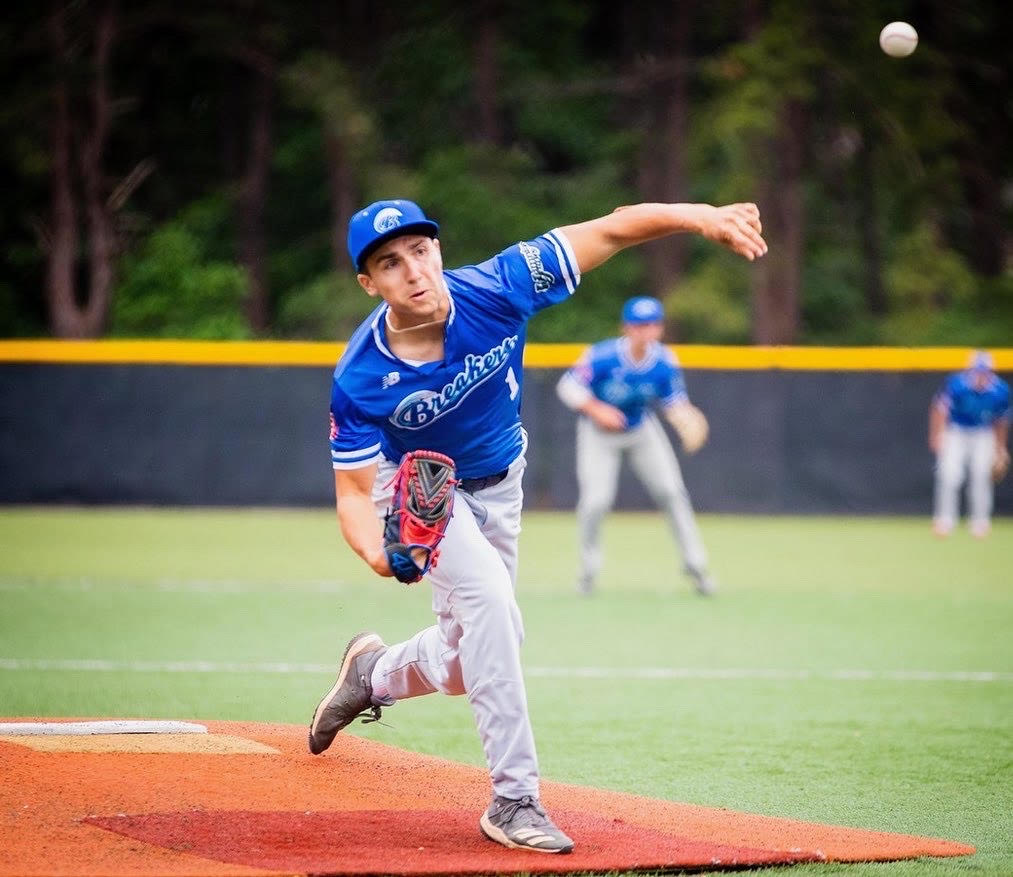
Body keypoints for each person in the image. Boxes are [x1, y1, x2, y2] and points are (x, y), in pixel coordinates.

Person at [309, 197, 766, 854]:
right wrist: (381, 556)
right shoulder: (360, 377)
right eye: (389, 261)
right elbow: (352, 494)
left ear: (437, 248)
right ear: (369, 283)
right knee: (492, 605)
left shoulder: (499, 286)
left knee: (471, 657)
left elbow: (609, 228)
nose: (412, 269)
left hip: (501, 478)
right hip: (423, 493)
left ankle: (373, 673)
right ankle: (514, 797)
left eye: (419, 249)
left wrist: (699, 217)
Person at [555, 295, 715, 596]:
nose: (647, 331)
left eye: (653, 324)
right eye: (640, 325)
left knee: (671, 491)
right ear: (626, 328)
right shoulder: (602, 355)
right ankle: (588, 573)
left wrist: (685, 417)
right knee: (595, 502)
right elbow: (568, 386)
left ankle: (697, 567)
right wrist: (596, 409)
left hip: (642, 428)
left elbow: (673, 401)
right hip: (598, 433)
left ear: (660, 328)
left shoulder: (664, 362)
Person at [929, 350, 1009, 538]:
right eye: (977, 371)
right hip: (956, 430)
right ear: (970, 370)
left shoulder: (1000, 391)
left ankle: (980, 522)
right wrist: (937, 435)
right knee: (949, 474)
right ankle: (945, 520)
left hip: (983, 432)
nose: (981, 375)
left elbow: (1002, 421)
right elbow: (939, 409)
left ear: (991, 372)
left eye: (985, 371)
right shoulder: (957, 384)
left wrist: (1000, 448)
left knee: (981, 475)